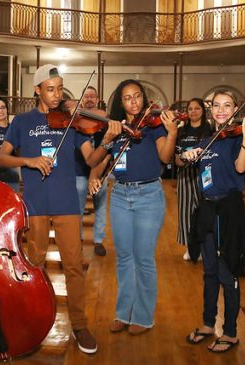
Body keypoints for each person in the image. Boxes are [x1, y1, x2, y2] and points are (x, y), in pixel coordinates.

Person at [0, 64, 121, 354]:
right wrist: (29, 160)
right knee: (35, 264)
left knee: (74, 266)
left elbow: (91, 161)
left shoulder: (72, 121)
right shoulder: (22, 121)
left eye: (59, 88)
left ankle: (79, 325)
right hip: (36, 204)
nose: (56, 94)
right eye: (50, 88)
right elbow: (1, 157)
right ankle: (33, 321)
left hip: (66, 203)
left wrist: (107, 141)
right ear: (37, 90)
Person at [182, 90, 245, 353]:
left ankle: (232, 333)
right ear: (210, 109)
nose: (221, 110)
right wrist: (189, 156)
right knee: (210, 273)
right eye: (216, 105)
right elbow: (185, 160)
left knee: (228, 274)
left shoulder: (237, 138)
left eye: (227, 106)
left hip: (229, 210)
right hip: (208, 208)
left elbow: (240, 167)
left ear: (235, 110)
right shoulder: (208, 139)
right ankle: (207, 323)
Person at [103, 80, 178, 335]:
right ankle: (123, 313)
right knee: (124, 257)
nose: (133, 102)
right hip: (121, 195)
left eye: (137, 96)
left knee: (143, 258)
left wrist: (172, 133)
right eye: (127, 98)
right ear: (120, 102)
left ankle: (144, 317)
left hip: (148, 195)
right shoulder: (116, 129)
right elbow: (100, 160)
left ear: (144, 98)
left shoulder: (154, 126)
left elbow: (165, 158)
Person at [173, 99, 213, 260]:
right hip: (185, 175)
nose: (193, 111)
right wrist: (183, 158)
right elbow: (176, 158)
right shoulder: (181, 131)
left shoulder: (209, 129)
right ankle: (191, 247)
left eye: (197, 108)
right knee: (186, 214)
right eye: (190, 109)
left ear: (203, 111)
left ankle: (206, 247)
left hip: (205, 175)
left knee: (206, 212)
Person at [77, 86, 108, 257]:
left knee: (101, 207)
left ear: (97, 100)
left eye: (92, 96)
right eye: (86, 96)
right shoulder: (76, 120)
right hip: (79, 172)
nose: (89, 99)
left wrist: (95, 174)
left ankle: (98, 241)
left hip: (100, 172)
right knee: (78, 210)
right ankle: (78, 240)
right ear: (82, 100)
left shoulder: (104, 121)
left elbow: (107, 149)